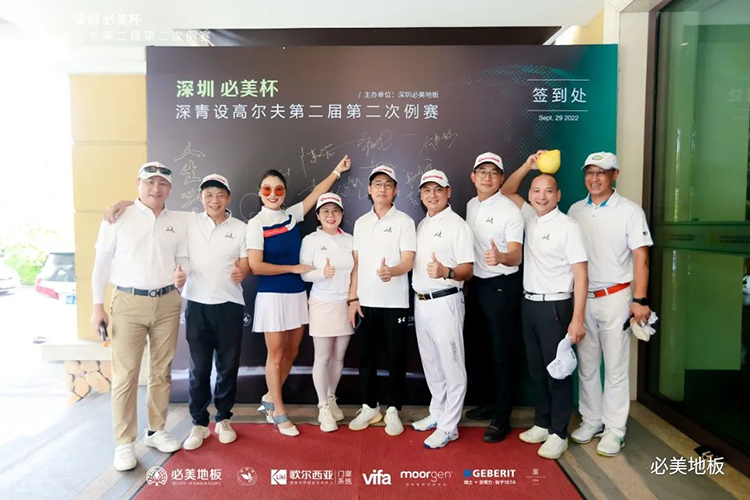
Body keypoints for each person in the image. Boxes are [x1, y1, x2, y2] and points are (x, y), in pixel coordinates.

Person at [104, 174, 251, 451]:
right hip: (196, 303)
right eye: (209, 195)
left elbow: (246, 263)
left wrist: (241, 271)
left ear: (228, 198)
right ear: (200, 198)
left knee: (228, 366)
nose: (214, 201)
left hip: (230, 304)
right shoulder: (188, 220)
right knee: (199, 368)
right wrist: (124, 203)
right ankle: (199, 423)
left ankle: (223, 419)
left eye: (220, 195)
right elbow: (153, 206)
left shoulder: (242, 228)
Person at [91, 162, 188, 471]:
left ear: (170, 189)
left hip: (167, 301)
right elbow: (101, 262)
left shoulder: (178, 221)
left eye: (162, 184)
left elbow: (183, 259)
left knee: (161, 371)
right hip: (127, 302)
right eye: (150, 182)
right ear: (138, 184)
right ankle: (124, 443)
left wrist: (183, 273)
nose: (156, 188)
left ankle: (156, 431)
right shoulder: (117, 217)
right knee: (126, 375)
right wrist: (97, 306)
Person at [248, 157, 351, 437]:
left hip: (296, 294)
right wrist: (293, 268)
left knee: (292, 351)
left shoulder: (291, 216)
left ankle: (269, 398)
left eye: (278, 189)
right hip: (272, 296)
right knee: (276, 354)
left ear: (284, 192)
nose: (272, 194)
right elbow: (256, 266)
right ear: (260, 192)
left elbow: (317, 193)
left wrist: (336, 172)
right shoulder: (256, 224)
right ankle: (279, 412)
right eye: (267, 189)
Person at [501, 152, 588, 460]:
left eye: (548, 191)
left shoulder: (568, 226)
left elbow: (581, 274)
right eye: (536, 191)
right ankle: (542, 422)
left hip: (556, 307)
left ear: (558, 195)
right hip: (530, 305)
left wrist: (577, 318)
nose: (541, 196)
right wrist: (528, 165)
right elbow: (507, 191)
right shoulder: (530, 217)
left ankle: (559, 432)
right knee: (537, 370)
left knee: (557, 372)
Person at [567, 152, 653, 457]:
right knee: (588, 364)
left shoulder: (630, 211)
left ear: (614, 175)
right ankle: (592, 420)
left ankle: (615, 430)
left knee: (615, 367)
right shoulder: (575, 210)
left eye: (601, 173)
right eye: (590, 172)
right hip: (583, 298)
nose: (594, 178)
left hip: (616, 297)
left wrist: (639, 300)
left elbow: (641, 257)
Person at [347, 165, 416, 436]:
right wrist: (352, 298)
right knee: (366, 358)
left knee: (396, 358)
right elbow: (356, 263)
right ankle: (370, 407)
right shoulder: (361, 223)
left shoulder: (405, 221)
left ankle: (393, 409)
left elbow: (408, 260)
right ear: (369, 189)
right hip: (365, 302)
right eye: (377, 184)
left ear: (395, 190)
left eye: (388, 184)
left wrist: (393, 271)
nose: (382, 189)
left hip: (395, 302)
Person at [410, 170, 475, 449]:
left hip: (445, 301)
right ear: (421, 195)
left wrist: (446, 271)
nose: (432, 195)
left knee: (452, 365)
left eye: (438, 189)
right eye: (427, 190)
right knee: (432, 363)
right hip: (421, 301)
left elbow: (467, 270)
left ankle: (450, 426)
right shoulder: (423, 224)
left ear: (448, 192)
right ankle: (437, 413)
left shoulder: (457, 225)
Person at [464, 152, 525, 443]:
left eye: (493, 173)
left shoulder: (509, 211)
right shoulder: (470, 205)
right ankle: (490, 404)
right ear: (473, 176)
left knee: (502, 354)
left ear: (501, 178)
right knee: (481, 350)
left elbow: (516, 255)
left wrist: (501, 256)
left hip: (502, 287)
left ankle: (502, 418)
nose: (487, 178)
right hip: (476, 286)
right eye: (482, 172)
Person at [299, 193, 354, 432]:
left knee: (339, 357)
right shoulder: (311, 240)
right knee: (322, 357)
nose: (331, 216)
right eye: (325, 211)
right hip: (322, 303)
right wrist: (322, 273)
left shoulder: (350, 239)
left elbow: (356, 271)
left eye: (335, 211)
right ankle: (322, 406)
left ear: (341, 214)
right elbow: (304, 273)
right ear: (318, 215)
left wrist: (353, 299)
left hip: (345, 304)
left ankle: (331, 397)